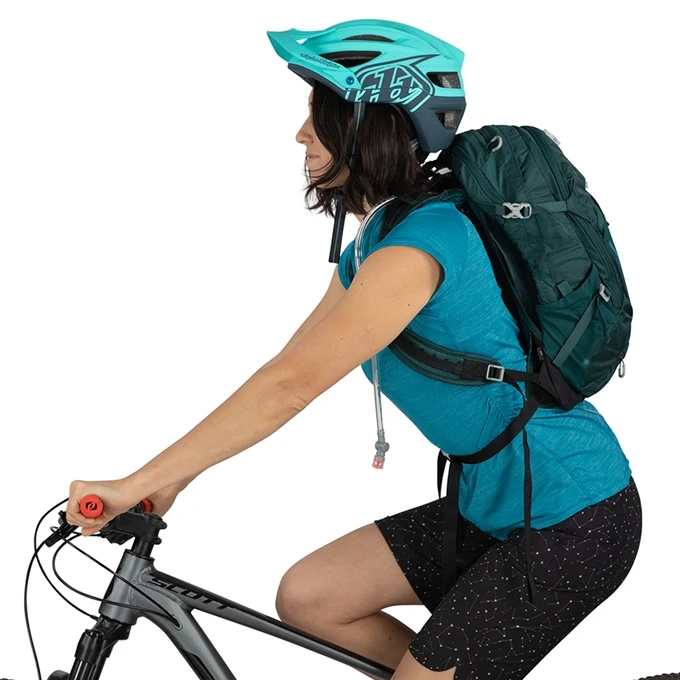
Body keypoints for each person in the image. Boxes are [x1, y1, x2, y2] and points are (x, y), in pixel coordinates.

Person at [66, 19, 642, 680]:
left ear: (369, 125)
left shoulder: (422, 247)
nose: (301, 134)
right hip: (494, 505)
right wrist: (168, 482)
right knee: (312, 597)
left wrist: (134, 483)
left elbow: (290, 388)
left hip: (573, 516)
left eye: (320, 115)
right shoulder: (382, 237)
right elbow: (286, 368)